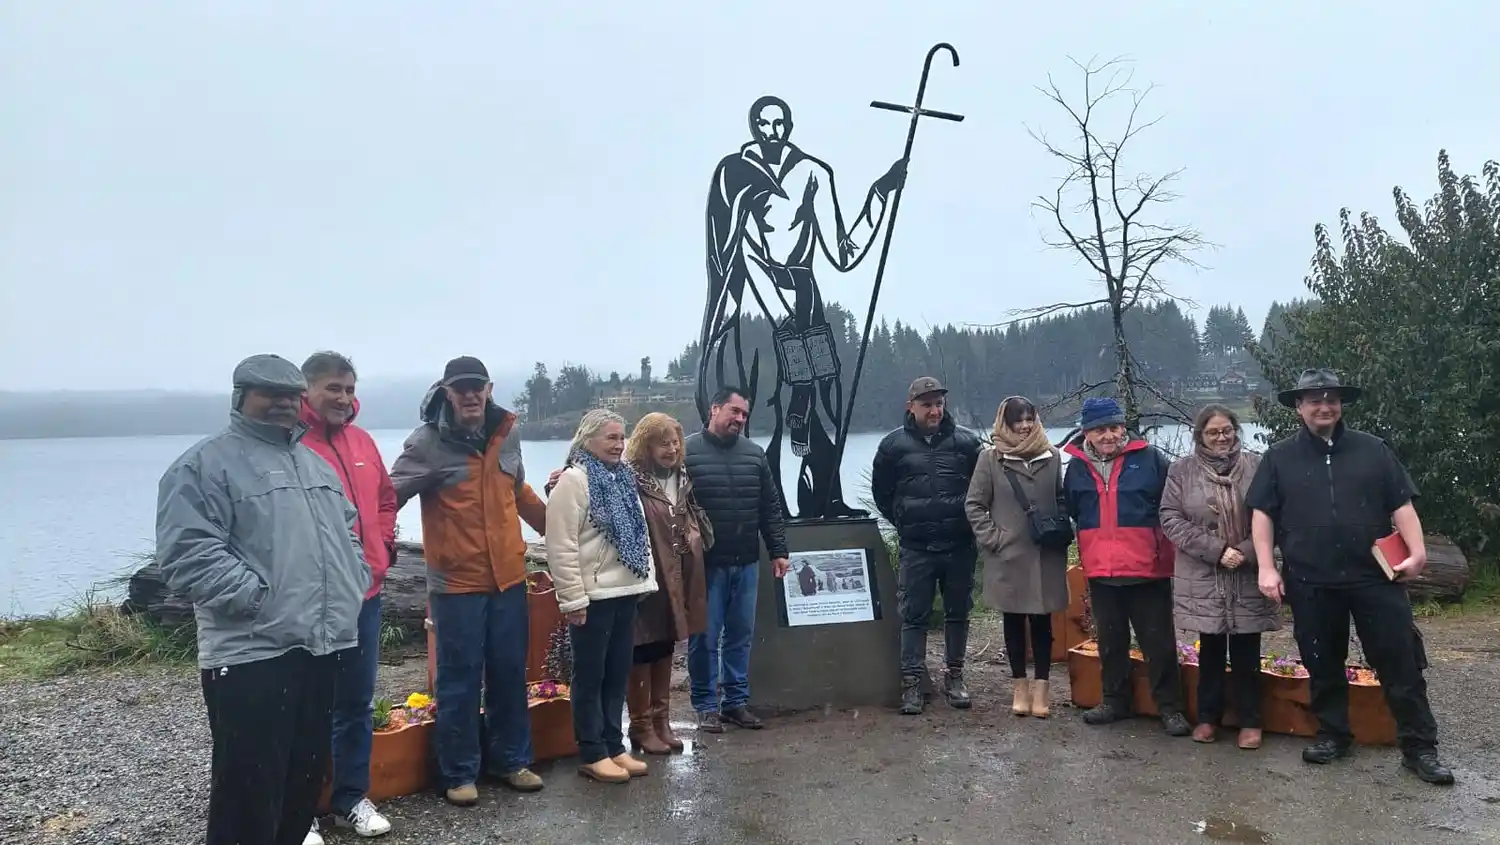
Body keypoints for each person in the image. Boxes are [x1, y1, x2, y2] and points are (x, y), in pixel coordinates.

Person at [156, 354, 369, 845]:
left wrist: (353, 580)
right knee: (247, 798)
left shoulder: (314, 464)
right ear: (241, 398)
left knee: (300, 790)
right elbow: (186, 552)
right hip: (251, 656)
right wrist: (258, 600)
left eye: (289, 395)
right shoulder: (204, 464)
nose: (280, 404)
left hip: (321, 648)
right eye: (267, 394)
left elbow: (349, 533)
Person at [698, 95, 906, 518]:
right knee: (771, 406)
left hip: (805, 300)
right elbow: (727, 250)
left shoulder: (813, 172)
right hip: (758, 303)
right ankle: (775, 508)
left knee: (823, 399)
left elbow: (842, 251)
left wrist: (881, 192)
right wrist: (766, 308)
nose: (772, 132)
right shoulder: (733, 173)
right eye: (763, 124)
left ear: (788, 127)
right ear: (754, 127)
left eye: (779, 124)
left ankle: (825, 498)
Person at [1248, 368, 1453, 784]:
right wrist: (1267, 567)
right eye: (1314, 399)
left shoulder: (1373, 450)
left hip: (1375, 578)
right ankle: (1333, 735)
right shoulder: (1278, 458)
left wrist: (1418, 551)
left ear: (1341, 405)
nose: (1324, 406)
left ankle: (1419, 748)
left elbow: (1402, 506)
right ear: (1299, 407)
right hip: (1311, 580)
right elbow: (1262, 514)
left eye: (1332, 399)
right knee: (1323, 664)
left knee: (1399, 663)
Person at [389, 356, 548, 806]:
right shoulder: (426, 443)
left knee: (508, 672)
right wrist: (370, 540)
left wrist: (555, 529)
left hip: (509, 580)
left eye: (477, 386)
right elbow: (389, 497)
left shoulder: (507, 433)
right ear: (446, 392)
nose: (471, 395)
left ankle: (511, 760)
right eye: (462, 388)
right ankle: (458, 772)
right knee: (459, 680)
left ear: (489, 388)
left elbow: (518, 491)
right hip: (455, 586)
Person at [296, 352, 398, 840]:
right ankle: (301, 811)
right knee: (308, 704)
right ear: (306, 390)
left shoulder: (362, 442)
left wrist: (381, 548)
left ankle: (351, 797)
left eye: (349, 389)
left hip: (366, 595)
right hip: (312, 600)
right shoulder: (291, 444)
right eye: (332, 388)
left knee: (356, 703)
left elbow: (384, 499)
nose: (342, 398)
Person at [1062, 397, 1189, 736]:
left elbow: (1172, 505)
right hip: (1102, 569)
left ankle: (1170, 707)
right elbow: (1074, 509)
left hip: (1148, 568)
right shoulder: (1075, 468)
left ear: (1123, 428)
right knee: (1110, 640)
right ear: (1086, 433)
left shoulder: (1149, 459)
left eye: (1114, 428)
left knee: (1158, 642)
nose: (1108, 435)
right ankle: (1115, 701)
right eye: (1100, 429)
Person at [546, 410, 658, 783]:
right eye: (610, 437)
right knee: (590, 676)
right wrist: (572, 599)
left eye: (622, 437)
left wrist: (646, 582)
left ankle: (613, 745)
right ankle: (591, 751)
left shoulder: (623, 478)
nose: (619, 444)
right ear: (587, 439)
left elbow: (639, 535)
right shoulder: (573, 482)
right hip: (593, 597)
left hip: (626, 591)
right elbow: (560, 545)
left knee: (616, 675)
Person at [1160, 403, 1277, 750]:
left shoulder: (1257, 465)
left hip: (1247, 571)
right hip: (1203, 573)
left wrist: (1246, 552)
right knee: (1209, 649)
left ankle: (1250, 721)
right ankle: (1208, 718)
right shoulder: (1181, 471)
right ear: (1201, 436)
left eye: (1226, 430)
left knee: (1246, 650)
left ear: (1235, 431)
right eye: (1213, 432)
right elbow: (1170, 517)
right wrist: (1215, 550)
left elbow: (1274, 512)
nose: (1221, 437)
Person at [871, 377, 983, 715]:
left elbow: (982, 491)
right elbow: (883, 495)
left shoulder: (966, 443)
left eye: (938, 404)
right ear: (911, 406)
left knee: (958, 612)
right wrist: (904, 521)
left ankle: (956, 676)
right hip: (916, 547)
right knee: (913, 616)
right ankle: (912, 684)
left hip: (959, 545)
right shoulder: (893, 446)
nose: (934, 410)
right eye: (927, 404)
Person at [684, 386, 789, 732]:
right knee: (704, 636)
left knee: (740, 636)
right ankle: (704, 705)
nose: (740, 419)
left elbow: (769, 508)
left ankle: (735, 703)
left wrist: (779, 551)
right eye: (734, 411)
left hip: (746, 562)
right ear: (714, 409)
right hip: (705, 565)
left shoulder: (755, 455)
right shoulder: (686, 451)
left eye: (744, 414)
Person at [964, 396, 1069, 719]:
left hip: (1046, 554)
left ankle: (1042, 688)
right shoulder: (990, 459)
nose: (1024, 426)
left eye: (1029, 419)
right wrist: (995, 540)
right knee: (1013, 621)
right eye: (1017, 421)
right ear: (1005, 424)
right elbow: (974, 504)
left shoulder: (1051, 456)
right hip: (1008, 555)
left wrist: (1062, 526)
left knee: (1043, 622)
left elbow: (1062, 497)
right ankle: (1019, 686)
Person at [623, 412, 709, 755]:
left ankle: (663, 723)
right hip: (646, 576)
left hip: (677, 575)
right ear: (646, 445)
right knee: (640, 648)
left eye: (675, 442)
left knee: (666, 644)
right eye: (663, 443)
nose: (672, 449)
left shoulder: (681, 476)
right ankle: (640, 727)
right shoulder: (630, 479)